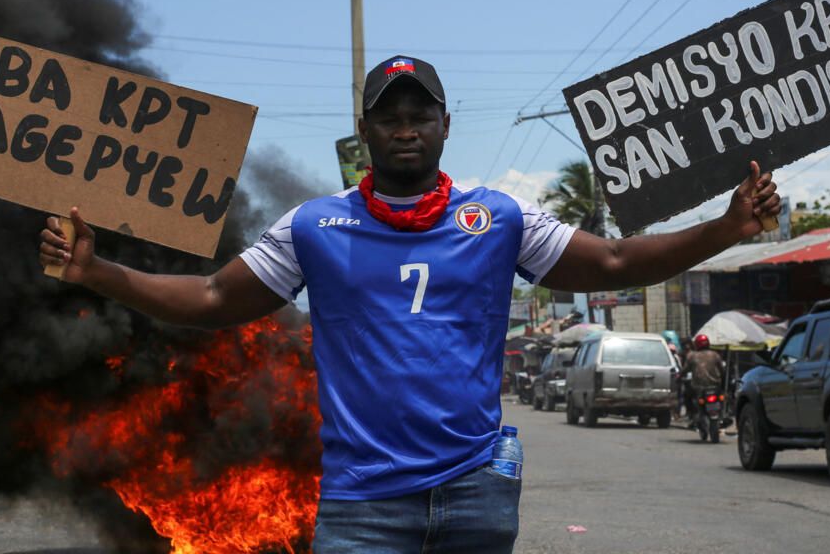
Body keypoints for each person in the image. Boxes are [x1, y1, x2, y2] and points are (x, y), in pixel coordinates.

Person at [39, 55, 781, 553]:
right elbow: (208, 296)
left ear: (445, 126)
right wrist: (98, 269)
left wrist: (724, 228)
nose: (404, 127)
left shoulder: (497, 218)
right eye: (388, 116)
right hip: (361, 509)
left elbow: (614, 259)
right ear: (364, 132)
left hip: (473, 494)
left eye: (419, 114)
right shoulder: (313, 227)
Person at [683, 334, 727, 423]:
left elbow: (685, 370)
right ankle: (723, 415)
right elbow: (722, 370)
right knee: (723, 397)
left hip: (699, 388)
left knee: (687, 396)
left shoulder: (692, 356)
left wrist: (679, 377)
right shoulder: (715, 355)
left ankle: (691, 414)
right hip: (715, 386)